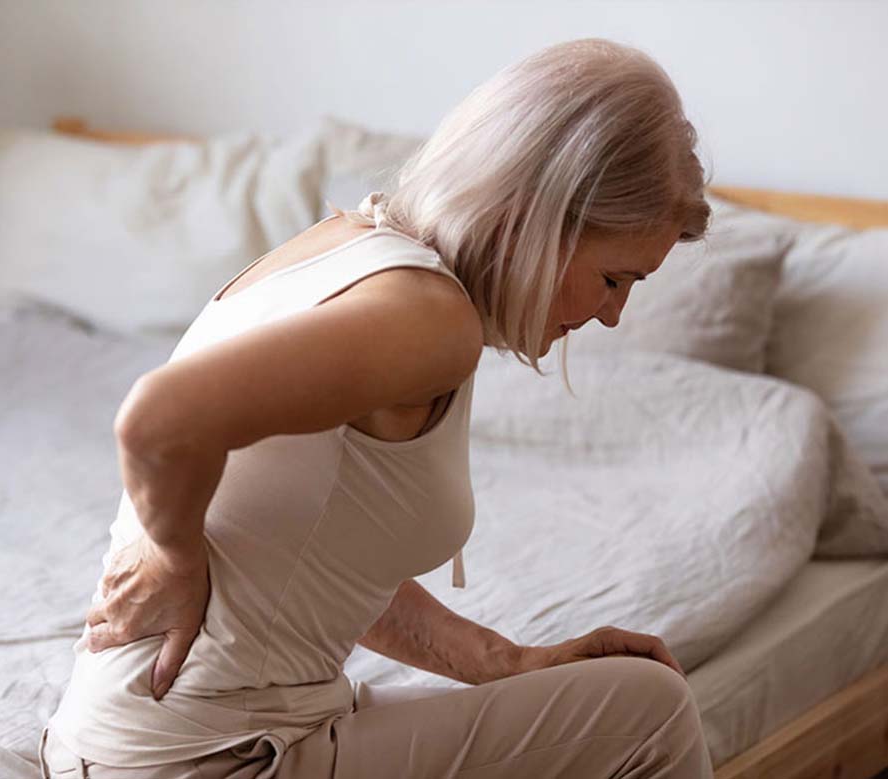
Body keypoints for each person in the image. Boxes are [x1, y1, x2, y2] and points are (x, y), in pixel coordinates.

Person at [38, 37, 715, 778]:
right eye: (614, 278)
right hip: (210, 758)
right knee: (648, 706)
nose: (611, 315)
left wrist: (511, 661)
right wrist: (173, 554)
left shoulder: (346, 244)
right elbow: (158, 417)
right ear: (538, 217)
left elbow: (316, 555)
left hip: (111, 745)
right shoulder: (428, 321)